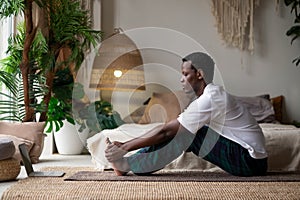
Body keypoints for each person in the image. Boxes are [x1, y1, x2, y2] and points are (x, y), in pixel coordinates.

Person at [105, 52, 268, 177]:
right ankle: (126, 164)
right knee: (189, 130)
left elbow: (166, 131)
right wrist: (125, 146)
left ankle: (125, 165)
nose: (181, 79)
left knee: (188, 134)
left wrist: (125, 146)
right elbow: (167, 130)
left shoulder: (211, 98)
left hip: (250, 161)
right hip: (253, 160)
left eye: (185, 74)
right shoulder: (211, 95)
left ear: (200, 74)